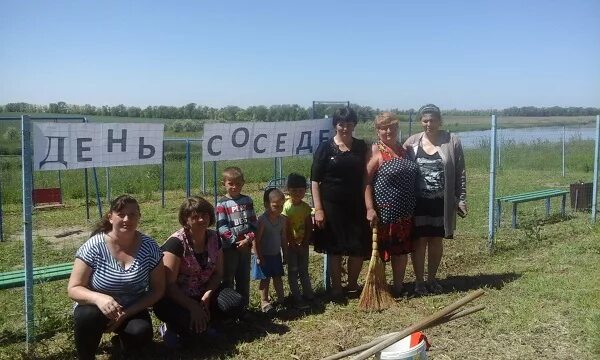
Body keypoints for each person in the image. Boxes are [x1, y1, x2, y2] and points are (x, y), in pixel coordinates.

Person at [67, 195, 165, 360]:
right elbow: (73, 288)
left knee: (141, 332)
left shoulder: (150, 247)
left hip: (131, 308)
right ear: (110, 217)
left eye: (133, 214)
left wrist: (126, 313)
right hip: (95, 308)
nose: (127, 219)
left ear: (139, 217)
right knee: (86, 317)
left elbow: (157, 290)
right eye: (121, 214)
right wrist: (99, 298)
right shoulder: (94, 246)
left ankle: (122, 344)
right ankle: (86, 356)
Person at [154, 196, 244, 348]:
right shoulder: (176, 244)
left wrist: (208, 294)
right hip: (178, 298)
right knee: (190, 329)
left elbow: (218, 273)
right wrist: (192, 306)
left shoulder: (215, 238)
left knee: (235, 303)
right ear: (185, 220)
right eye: (195, 217)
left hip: (203, 293)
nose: (202, 220)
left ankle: (206, 323)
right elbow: (169, 285)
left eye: (205, 215)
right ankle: (171, 327)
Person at [403, 104, 467, 295]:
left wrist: (461, 198)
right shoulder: (412, 142)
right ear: (420, 122)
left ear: (440, 121)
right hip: (418, 202)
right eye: (425, 120)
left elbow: (460, 172)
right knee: (420, 241)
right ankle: (419, 282)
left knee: (436, 240)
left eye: (432, 120)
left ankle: (432, 279)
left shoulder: (451, 141)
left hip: (442, 202)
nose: (429, 124)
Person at [311, 107, 370, 299]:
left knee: (357, 246)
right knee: (334, 247)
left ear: (354, 125)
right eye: (341, 124)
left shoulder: (362, 147)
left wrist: (369, 205)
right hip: (331, 206)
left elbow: (367, 178)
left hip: (356, 205)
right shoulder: (325, 148)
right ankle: (336, 287)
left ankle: (352, 285)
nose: (345, 128)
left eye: (349, 124)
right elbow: (314, 181)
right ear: (335, 125)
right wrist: (318, 209)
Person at [365, 112, 419, 296]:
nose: (388, 131)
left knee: (401, 252)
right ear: (377, 130)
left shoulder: (405, 150)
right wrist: (370, 208)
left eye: (392, 127)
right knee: (381, 253)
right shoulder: (376, 152)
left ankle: (398, 287)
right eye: (383, 128)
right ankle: (380, 287)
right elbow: (365, 182)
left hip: (405, 212)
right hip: (385, 213)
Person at [216, 166, 258, 308]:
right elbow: (221, 227)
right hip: (230, 249)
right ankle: (229, 310)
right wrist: (235, 241)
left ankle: (243, 309)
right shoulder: (222, 203)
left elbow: (254, 223)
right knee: (228, 279)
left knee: (244, 278)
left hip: (246, 247)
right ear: (224, 184)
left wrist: (248, 239)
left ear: (243, 183)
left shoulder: (247, 200)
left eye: (238, 184)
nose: (234, 187)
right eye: (230, 184)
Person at [252, 188, 288, 313]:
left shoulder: (283, 220)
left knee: (278, 277)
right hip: (264, 255)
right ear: (267, 204)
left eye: (281, 206)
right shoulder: (262, 220)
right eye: (275, 206)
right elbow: (256, 239)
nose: (279, 208)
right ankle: (264, 301)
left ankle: (281, 300)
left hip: (276, 255)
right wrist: (258, 256)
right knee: (265, 279)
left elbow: (283, 238)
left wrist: (285, 253)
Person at [282, 173, 315, 309]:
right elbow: (286, 228)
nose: (297, 193)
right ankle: (297, 296)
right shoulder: (286, 207)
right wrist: (293, 244)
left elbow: (309, 226)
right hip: (291, 246)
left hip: (303, 245)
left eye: (301, 190)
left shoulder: (306, 207)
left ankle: (309, 294)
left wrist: (305, 242)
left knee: (304, 270)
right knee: (293, 270)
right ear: (288, 190)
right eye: (294, 190)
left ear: (305, 191)